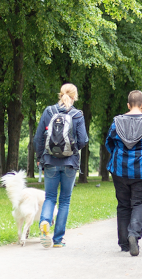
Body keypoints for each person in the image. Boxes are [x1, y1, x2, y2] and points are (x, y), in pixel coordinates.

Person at [105, 90, 142, 256]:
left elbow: (109, 143)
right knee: (140, 204)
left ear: (128, 105)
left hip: (119, 170)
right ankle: (133, 235)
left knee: (123, 205)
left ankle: (124, 243)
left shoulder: (117, 122)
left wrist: (118, 155)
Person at [34, 83, 89, 248]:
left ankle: (44, 223)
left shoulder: (49, 111)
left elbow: (38, 138)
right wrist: (72, 150)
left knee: (50, 197)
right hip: (70, 163)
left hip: (50, 161)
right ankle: (58, 240)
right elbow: (83, 139)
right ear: (75, 96)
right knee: (64, 200)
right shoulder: (77, 114)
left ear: (60, 94)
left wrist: (39, 157)